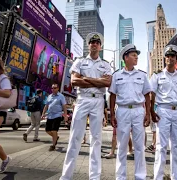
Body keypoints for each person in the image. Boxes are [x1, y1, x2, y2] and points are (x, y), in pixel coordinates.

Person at [60, 32, 112, 180]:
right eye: (92, 42)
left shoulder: (105, 64)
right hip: (82, 99)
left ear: (100, 47)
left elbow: (107, 83)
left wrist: (86, 78)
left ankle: (94, 177)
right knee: (75, 137)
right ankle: (66, 176)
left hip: (98, 101)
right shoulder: (79, 62)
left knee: (96, 139)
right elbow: (75, 82)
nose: (94, 44)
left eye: (97, 42)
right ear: (88, 45)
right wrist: (98, 81)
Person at [109, 44, 152, 180]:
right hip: (122, 111)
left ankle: (140, 176)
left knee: (139, 146)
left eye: (136, 55)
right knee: (122, 146)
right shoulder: (116, 75)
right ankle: (120, 177)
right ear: (125, 57)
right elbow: (112, 95)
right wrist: (111, 113)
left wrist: (148, 113)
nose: (136, 57)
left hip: (138, 110)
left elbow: (147, 95)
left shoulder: (142, 75)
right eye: (133, 55)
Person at [150, 45, 177, 180]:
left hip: (176, 112)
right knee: (161, 146)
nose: (170, 58)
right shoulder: (157, 75)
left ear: (176, 60)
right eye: (168, 56)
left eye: (173, 57)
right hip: (163, 111)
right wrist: (152, 113)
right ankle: (158, 177)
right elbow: (151, 95)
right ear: (165, 58)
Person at [41, 84, 67, 151]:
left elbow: (64, 106)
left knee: (54, 130)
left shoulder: (61, 96)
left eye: (55, 88)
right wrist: (43, 114)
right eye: (52, 88)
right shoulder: (49, 96)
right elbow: (46, 106)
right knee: (47, 130)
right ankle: (56, 137)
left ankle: (53, 145)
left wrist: (65, 115)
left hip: (57, 115)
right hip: (50, 116)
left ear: (58, 88)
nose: (53, 89)